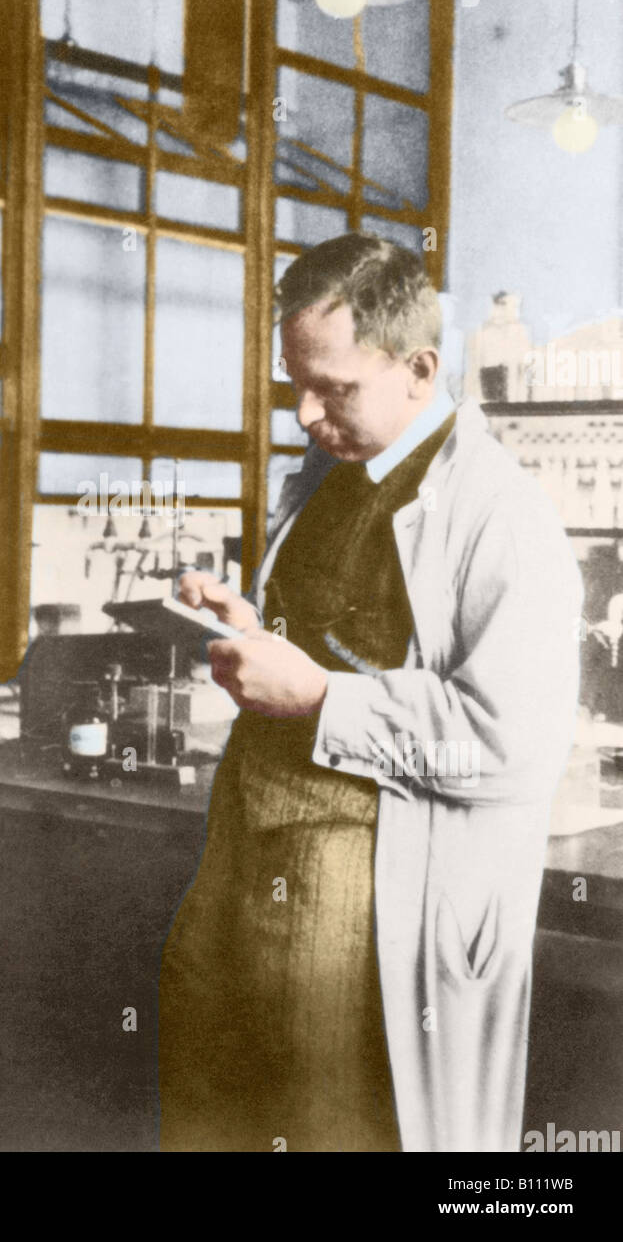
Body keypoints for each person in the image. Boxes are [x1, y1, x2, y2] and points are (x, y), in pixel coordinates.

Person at [158, 234, 582, 1153]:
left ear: (419, 370)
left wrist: (318, 699)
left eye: (334, 389)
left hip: (357, 875)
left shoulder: (501, 516)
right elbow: (325, 640)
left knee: (325, 1126)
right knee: (214, 1109)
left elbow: (507, 746)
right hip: (245, 837)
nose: (306, 413)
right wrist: (246, 627)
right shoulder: (330, 478)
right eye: (296, 386)